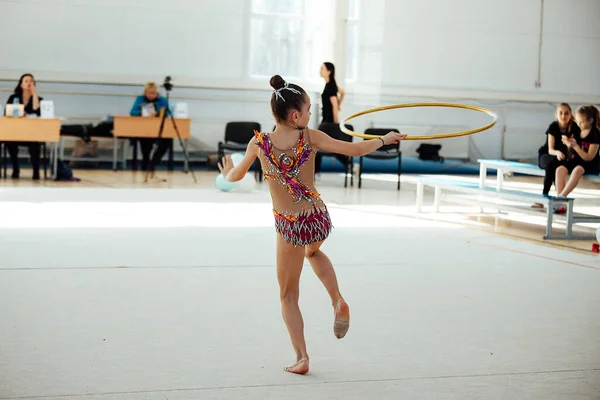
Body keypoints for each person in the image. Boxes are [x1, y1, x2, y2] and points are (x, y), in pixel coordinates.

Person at [217, 75, 406, 374]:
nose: (309, 116)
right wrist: (384, 139)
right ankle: (337, 299)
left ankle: (302, 357)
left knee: (288, 295)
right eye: (307, 110)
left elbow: (236, 176)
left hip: (290, 225)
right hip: (318, 217)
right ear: (296, 116)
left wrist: (227, 172)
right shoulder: (310, 136)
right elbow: (354, 150)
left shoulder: (259, 142)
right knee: (314, 253)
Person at [553, 105, 600, 212]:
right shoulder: (578, 131)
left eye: (582, 122)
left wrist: (576, 147)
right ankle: (561, 204)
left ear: (590, 121)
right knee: (560, 169)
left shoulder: (595, 134)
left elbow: (589, 157)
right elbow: (572, 155)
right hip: (578, 161)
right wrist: (569, 146)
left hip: (590, 164)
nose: (579, 124)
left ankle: (562, 196)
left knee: (578, 169)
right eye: (578, 121)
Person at [532, 103, 580, 208]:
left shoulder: (574, 127)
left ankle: (557, 198)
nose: (563, 116)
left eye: (566, 113)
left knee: (557, 165)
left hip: (562, 158)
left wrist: (569, 145)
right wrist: (557, 152)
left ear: (570, 114)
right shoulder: (553, 126)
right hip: (547, 155)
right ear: (556, 114)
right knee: (552, 164)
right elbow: (550, 149)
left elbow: (571, 153)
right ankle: (546, 196)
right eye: (561, 113)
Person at [4, 73, 43, 179]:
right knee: (9, 142)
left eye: (31, 81)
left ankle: (36, 171)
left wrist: (34, 95)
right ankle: (16, 169)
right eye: (26, 81)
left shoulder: (39, 99)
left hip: (32, 134)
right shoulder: (13, 98)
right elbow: (6, 113)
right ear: (21, 85)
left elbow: (38, 113)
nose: (29, 83)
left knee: (34, 145)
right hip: (15, 132)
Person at [129, 82, 172, 176]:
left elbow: (168, 113)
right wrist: (142, 113)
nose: (151, 96)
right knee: (145, 142)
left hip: (160, 129)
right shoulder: (140, 99)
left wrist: (157, 113)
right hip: (145, 129)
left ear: (157, 93)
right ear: (145, 93)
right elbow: (132, 112)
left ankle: (154, 162)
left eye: (153, 94)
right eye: (149, 93)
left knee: (168, 141)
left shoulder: (163, 100)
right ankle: (146, 162)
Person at [314, 62, 348, 175]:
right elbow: (343, 92)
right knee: (320, 144)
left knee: (323, 145)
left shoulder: (331, 86)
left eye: (322, 68)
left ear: (329, 71)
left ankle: (349, 164)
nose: (320, 70)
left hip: (328, 122)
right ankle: (316, 170)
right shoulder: (330, 84)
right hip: (326, 120)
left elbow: (333, 104)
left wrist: (335, 123)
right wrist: (340, 105)